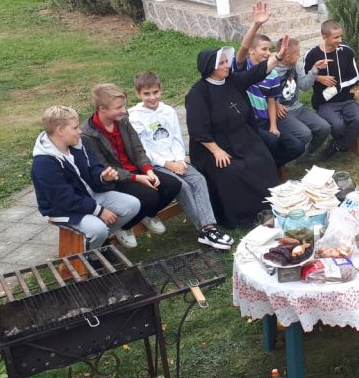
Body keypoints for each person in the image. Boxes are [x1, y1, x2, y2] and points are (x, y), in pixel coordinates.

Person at [185, 39, 286, 229]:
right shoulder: (198, 93)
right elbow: (197, 129)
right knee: (232, 171)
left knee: (262, 160)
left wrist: (278, 57)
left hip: (242, 136)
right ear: (210, 67)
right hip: (214, 145)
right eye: (222, 63)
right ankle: (242, 216)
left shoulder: (232, 81)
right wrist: (216, 151)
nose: (227, 65)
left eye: (226, 61)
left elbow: (256, 72)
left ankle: (266, 207)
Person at [127, 71, 234, 250]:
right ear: (138, 94)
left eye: (155, 92)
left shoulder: (168, 111)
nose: (152, 97)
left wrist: (179, 160)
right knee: (182, 186)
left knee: (198, 179)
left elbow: (177, 138)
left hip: (176, 160)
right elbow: (143, 149)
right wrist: (167, 164)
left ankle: (209, 227)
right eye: (147, 94)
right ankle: (204, 229)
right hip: (156, 164)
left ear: (161, 90)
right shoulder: (134, 116)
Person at [81, 84, 181, 248]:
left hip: (136, 170)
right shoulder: (88, 134)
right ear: (102, 109)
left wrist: (148, 170)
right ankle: (125, 226)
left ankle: (147, 214)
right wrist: (136, 178)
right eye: (118, 108)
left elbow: (137, 149)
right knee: (150, 196)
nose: (124, 110)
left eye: (124, 106)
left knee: (173, 185)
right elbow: (103, 166)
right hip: (116, 179)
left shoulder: (122, 120)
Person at [31, 105, 140, 249]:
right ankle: (90, 256)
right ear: (60, 131)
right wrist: (99, 211)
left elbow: (93, 166)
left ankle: (99, 243)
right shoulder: (44, 164)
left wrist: (102, 177)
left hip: (87, 196)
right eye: (75, 128)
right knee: (97, 229)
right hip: (63, 209)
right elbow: (64, 199)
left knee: (133, 205)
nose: (80, 131)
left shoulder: (76, 144)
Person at [233, 2, 306, 168]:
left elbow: (271, 101)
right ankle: (266, 167)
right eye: (263, 49)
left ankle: (270, 166)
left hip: (265, 121)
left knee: (297, 146)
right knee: (271, 142)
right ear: (252, 51)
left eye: (269, 49)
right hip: (247, 123)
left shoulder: (272, 73)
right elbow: (243, 48)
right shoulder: (243, 68)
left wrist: (273, 126)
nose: (267, 53)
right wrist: (256, 25)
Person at [303, 16, 359, 160]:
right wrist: (318, 78)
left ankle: (337, 146)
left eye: (341, 36)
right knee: (337, 126)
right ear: (324, 37)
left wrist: (338, 87)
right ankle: (345, 141)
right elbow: (303, 79)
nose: (340, 40)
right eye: (336, 37)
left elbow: (355, 77)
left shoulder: (347, 52)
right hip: (324, 102)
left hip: (346, 99)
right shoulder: (312, 54)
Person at [272, 37, 332, 161]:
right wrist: (275, 104)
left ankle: (306, 153)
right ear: (287, 57)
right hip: (282, 112)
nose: (300, 56)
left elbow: (305, 86)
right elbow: (264, 93)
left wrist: (314, 69)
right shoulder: (272, 71)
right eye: (297, 54)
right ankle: (284, 156)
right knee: (305, 134)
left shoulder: (296, 66)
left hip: (297, 107)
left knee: (324, 128)